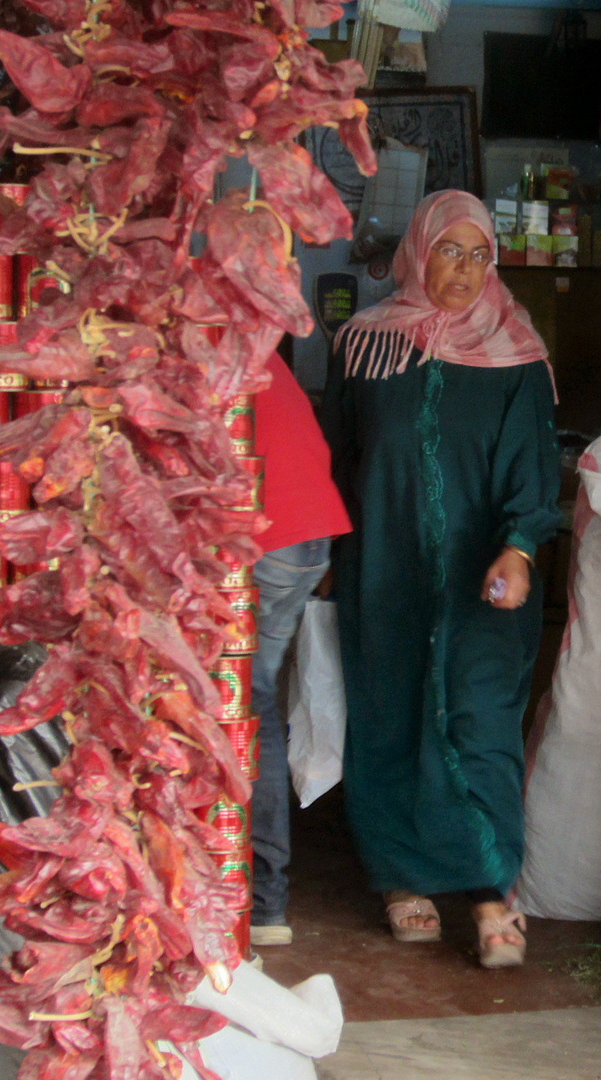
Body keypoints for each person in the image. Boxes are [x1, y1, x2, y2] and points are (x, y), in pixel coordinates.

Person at [322, 190, 559, 969]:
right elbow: (341, 457)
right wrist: (326, 557)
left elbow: (534, 466)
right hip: (383, 570)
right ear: (419, 252)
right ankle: (400, 878)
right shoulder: (364, 346)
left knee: (480, 724)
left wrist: (519, 547)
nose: (464, 269)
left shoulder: (516, 353)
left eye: (480, 253)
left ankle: (491, 891)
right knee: (389, 718)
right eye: (450, 251)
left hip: (484, 576)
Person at [249, 351, 352, 948]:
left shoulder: (176, 340)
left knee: (235, 709)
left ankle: (248, 903)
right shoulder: (240, 334)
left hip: (266, 533)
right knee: (253, 709)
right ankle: (265, 908)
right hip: (306, 531)